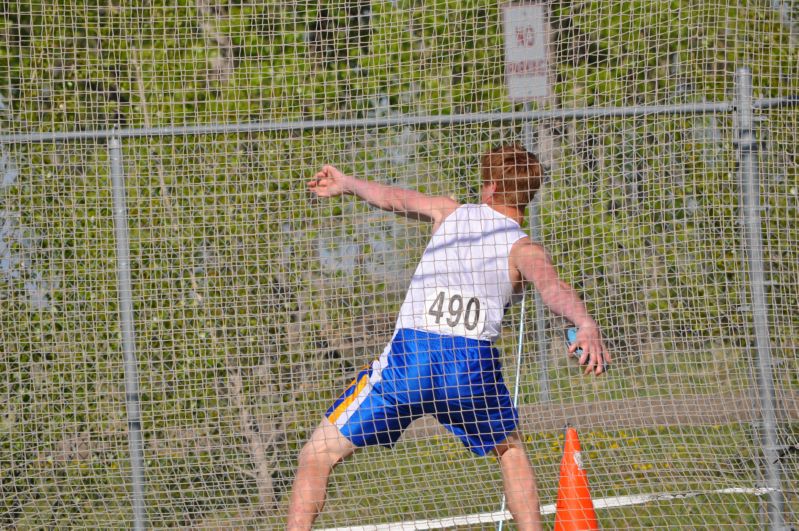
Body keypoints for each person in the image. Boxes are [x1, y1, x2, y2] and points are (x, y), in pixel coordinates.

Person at [287, 144, 609, 531]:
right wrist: (585, 323)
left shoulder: (449, 211)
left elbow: (392, 198)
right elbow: (553, 288)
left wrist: (348, 183)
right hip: (469, 367)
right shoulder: (523, 248)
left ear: (489, 188)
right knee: (509, 450)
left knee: (316, 455)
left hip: (412, 358)